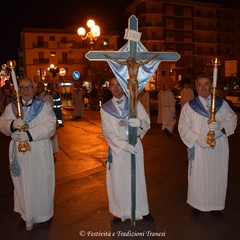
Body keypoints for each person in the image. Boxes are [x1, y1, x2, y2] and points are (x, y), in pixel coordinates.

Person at [0, 77, 56, 231]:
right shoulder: (11, 107)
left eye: (29, 87)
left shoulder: (44, 106)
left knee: (42, 182)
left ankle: (45, 216)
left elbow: (51, 125)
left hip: (39, 151)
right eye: (22, 87)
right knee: (22, 184)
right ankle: (26, 215)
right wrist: (11, 124)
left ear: (34, 89)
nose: (25, 90)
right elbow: (1, 123)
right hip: (19, 154)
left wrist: (30, 134)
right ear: (18, 91)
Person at [178, 75, 237, 220]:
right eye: (200, 84)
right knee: (198, 178)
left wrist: (220, 127)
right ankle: (197, 205)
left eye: (207, 84)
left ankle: (215, 206)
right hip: (199, 149)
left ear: (212, 86)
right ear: (195, 86)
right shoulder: (189, 107)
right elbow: (183, 128)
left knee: (217, 177)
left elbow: (232, 119)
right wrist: (199, 139)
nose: (203, 88)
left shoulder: (221, 104)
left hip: (218, 149)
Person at [100, 76, 154, 223]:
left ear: (123, 86)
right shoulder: (105, 108)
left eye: (118, 84)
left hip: (135, 146)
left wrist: (140, 123)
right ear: (109, 88)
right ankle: (119, 211)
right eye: (112, 85)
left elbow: (146, 122)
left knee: (138, 178)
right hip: (118, 149)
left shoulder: (134, 103)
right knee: (118, 180)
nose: (115, 88)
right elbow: (108, 132)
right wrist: (124, 146)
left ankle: (142, 210)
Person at [36, 81, 59, 154]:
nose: (37, 89)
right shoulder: (37, 97)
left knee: (50, 137)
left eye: (39, 87)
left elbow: (49, 108)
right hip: (40, 120)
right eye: (37, 87)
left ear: (43, 88)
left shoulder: (47, 97)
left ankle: (52, 152)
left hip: (46, 119)